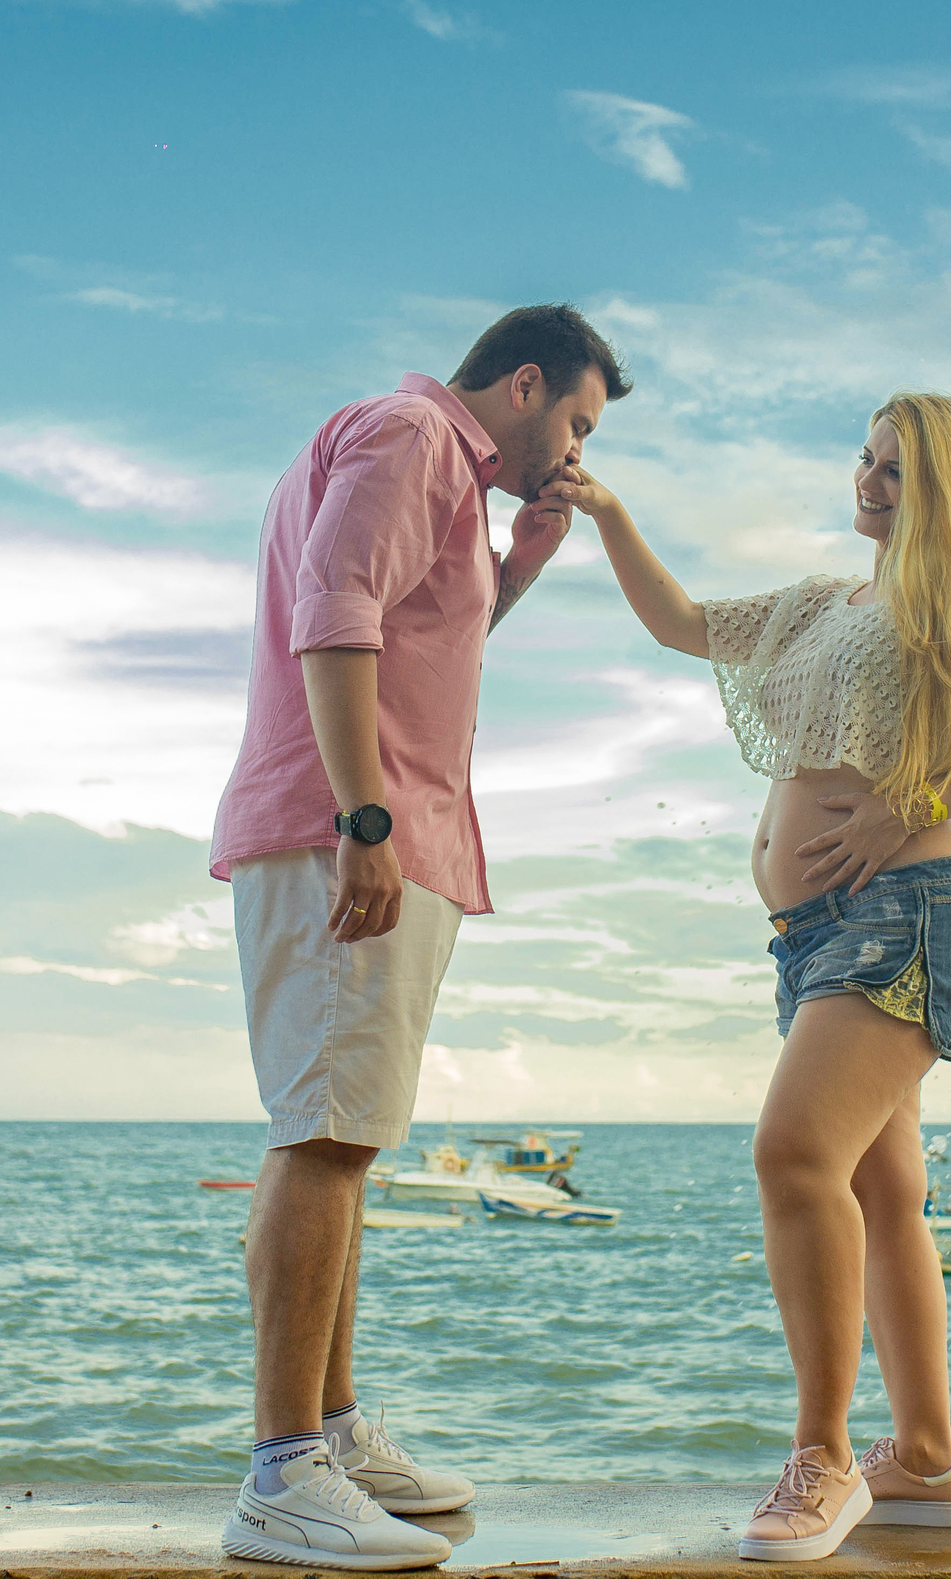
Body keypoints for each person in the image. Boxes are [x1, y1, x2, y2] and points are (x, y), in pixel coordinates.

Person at [539, 393, 951, 1563]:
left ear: (945, 487)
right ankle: (929, 1463)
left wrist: (911, 806)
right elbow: (684, 624)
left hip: (906, 916)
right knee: (885, 1197)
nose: (870, 482)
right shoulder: (816, 604)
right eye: (865, 459)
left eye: (896, 469)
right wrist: (611, 514)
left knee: (792, 1156)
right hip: (813, 936)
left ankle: (826, 1460)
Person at [209, 304, 630, 1570]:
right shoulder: (411, 438)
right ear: (522, 382)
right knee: (324, 1134)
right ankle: (284, 1474)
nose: (572, 449)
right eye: (575, 421)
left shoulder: (447, 473)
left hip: (388, 827)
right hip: (352, 826)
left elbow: (420, 637)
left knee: (351, 1138)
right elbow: (333, 617)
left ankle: (328, 1436)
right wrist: (366, 818)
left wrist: (529, 550)